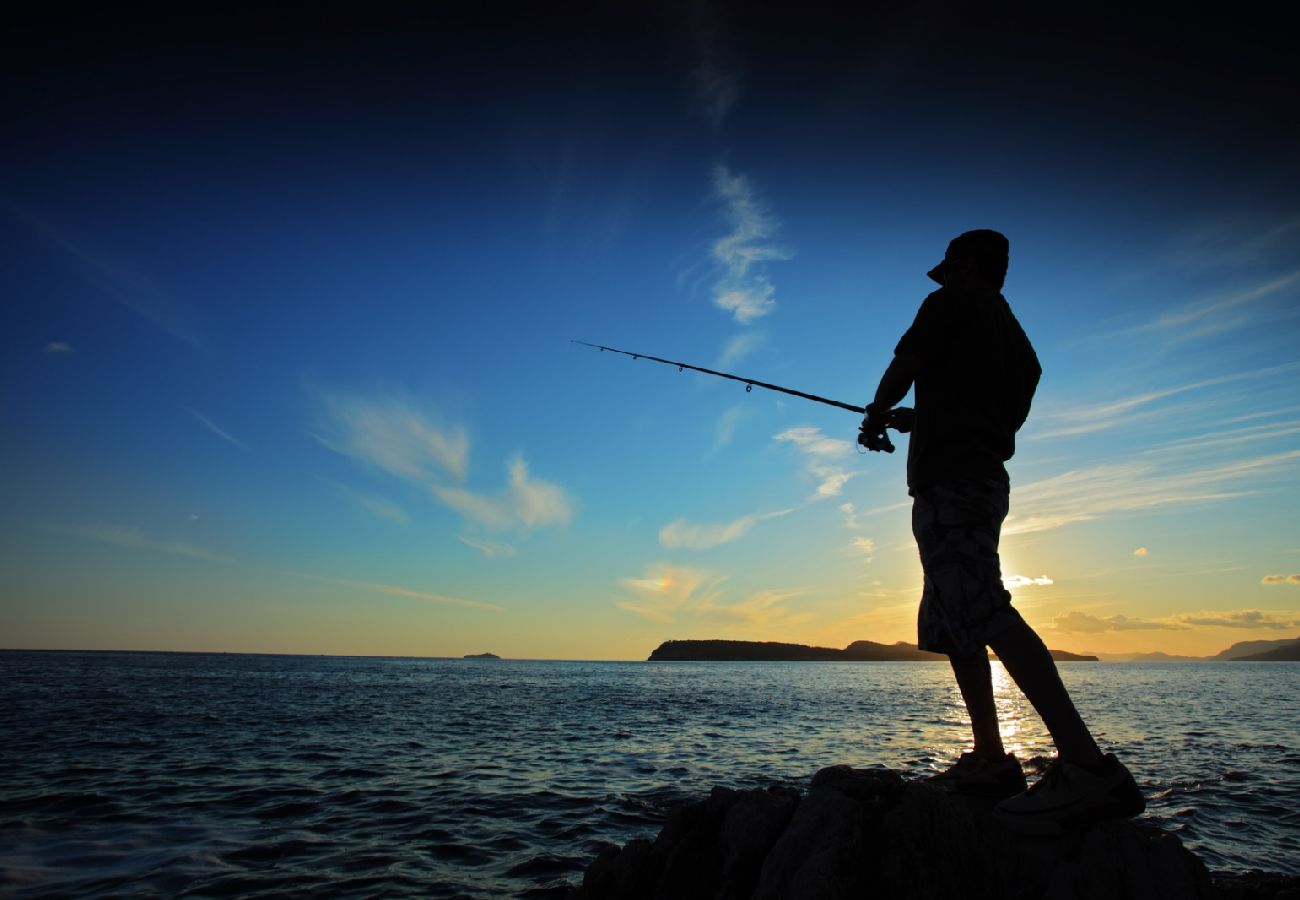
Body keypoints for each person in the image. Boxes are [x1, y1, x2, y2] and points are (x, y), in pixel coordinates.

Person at [859, 229, 1144, 835]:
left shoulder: (950, 303)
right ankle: (990, 757)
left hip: (952, 482)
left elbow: (905, 365)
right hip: (981, 476)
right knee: (953, 615)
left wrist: (877, 414)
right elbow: (986, 410)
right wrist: (926, 418)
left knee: (981, 607)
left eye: (949, 269)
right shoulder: (1018, 343)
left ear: (963, 266)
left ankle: (1088, 767)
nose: (943, 279)